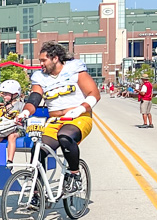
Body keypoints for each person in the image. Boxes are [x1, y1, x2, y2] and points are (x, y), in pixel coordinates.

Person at [16, 42, 100, 197]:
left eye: (43, 60)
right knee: (38, 149)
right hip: (55, 121)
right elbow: (34, 98)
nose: (40, 64)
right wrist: (25, 112)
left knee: (65, 137)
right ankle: (37, 192)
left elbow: (94, 94)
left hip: (79, 118)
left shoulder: (74, 70)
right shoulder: (40, 77)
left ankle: (74, 175)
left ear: (55, 58)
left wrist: (80, 109)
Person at [0, 80, 24, 167]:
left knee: (12, 136)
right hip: (5, 128)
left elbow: (24, 118)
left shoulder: (21, 105)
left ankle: (10, 161)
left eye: (6, 94)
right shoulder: (4, 106)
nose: (4, 96)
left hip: (18, 129)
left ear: (14, 94)